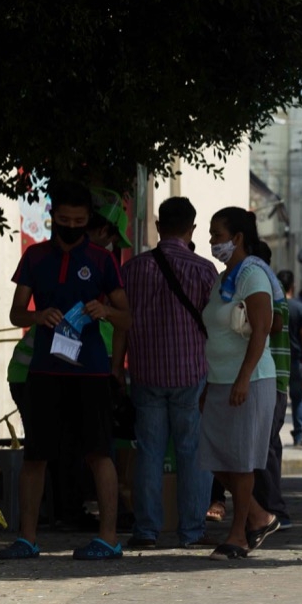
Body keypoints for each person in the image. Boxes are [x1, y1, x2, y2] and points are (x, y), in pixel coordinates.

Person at [0, 180, 131, 560]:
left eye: (80, 220)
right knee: (36, 454)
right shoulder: (36, 257)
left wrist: (105, 310)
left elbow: (127, 318)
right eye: (65, 218)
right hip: (44, 371)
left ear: (89, 221)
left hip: (90, 373)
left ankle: (107, 538)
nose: (72, 225)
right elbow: (15, 312)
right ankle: (27, 538)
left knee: (98, 453)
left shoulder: (104, 261)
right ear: (52, 217)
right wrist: (38, 315)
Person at [114, 196, 217, 549]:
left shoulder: (132, 269)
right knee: (192, 453)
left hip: (145, 372)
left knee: (149, 452)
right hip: (192, 374)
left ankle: (146, 530)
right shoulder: (204, 270)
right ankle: (191, 532)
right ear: (193, 228)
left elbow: (122, 326)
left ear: (158, 226)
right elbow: (215, 326)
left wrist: (117, 367)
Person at [197, 207, 282, 561]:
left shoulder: (252, 275)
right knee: (212, 455)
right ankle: (260, 515)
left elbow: (264, 328)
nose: (212, 241)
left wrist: (244, 377)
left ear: (237, 239)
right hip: (219, 379)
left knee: (242, 460)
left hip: (250, 379)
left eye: (217, 234)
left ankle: (239, 534)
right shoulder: (223, 279)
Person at [249, 243, 293, 535]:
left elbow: (273, 325)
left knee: (264, 447)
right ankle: (267, 508)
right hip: (274, 377)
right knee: (268, 446)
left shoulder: (267, 287)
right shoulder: (272, 286)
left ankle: (271, 510)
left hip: (271, 377)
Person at [278, 270, 302, 448]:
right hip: (296, 361)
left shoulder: (273, 306)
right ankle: (298, 437)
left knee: (277, 399)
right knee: (297, 399)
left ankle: (273, 434)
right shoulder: (300, 309)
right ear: (292, 286)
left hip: (277, 361)